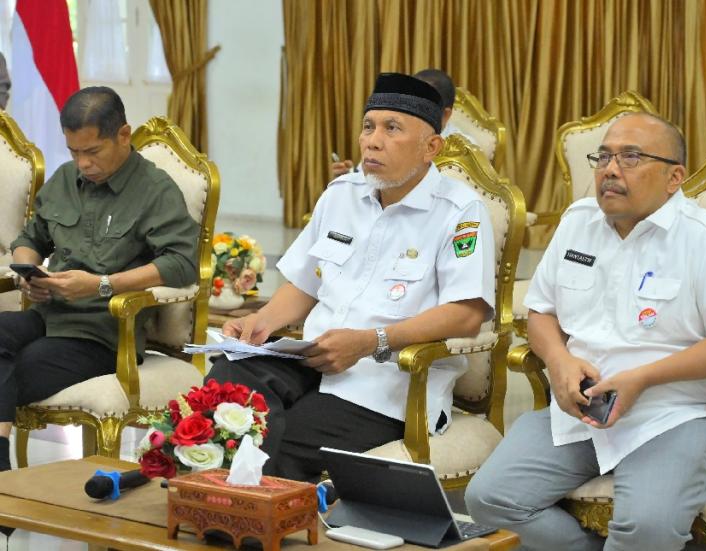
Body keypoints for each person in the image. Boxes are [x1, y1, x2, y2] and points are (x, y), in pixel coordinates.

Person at [465, 113, 706, 551]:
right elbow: (541, 312)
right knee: (489, 500)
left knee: (645, 528)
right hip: (578, 409)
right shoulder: (577, 222)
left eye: (630, 157)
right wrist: (560, 361)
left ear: (674, 176)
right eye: (604, 156)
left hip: (670, 414)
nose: (610, 169)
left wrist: (642, 377)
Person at [206, 72, 496, 482]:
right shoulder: (342, 193)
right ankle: (217, 508)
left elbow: (466, 314)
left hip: (385, 385)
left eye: (391, 128)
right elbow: (305, 282)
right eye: (368, 126)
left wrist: (370, 342)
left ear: (431, 146)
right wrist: (261, 322)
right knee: (225, 385)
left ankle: (247, 523)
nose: (372, 141)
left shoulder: (459, 211)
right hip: (311, 359)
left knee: (281, 442)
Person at [0, 86, 198, 472]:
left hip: (105, 334)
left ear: (123, 135)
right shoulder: (64, 180)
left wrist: (103, 284)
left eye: (93, 152)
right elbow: (30, 239)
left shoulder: (154, 190)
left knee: (22, 363)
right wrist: (28, 273)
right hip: (50, 317)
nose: (83, 164)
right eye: (74, 152)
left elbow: (181, 263)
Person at [330, 68, 476, 177]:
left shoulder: (466, 149)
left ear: (445, 114)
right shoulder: (386, 132)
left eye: (422, 106)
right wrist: (350, 176)